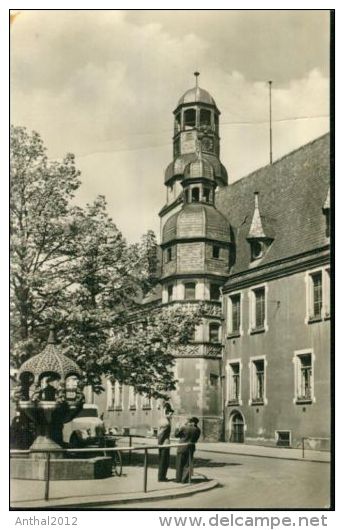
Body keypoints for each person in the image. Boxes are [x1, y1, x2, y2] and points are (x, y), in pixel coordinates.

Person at [175, 417, 201, 483]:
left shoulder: (184, 428)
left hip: (182, 447)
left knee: (179, 463)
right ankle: (184, 480)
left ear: (190, 422)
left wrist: (177, 427)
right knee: (187, 464)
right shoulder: (198, 430)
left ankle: (178, 479)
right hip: (191, 448)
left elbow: (176, 435)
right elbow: (196, 440)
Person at [157, 403, 174, 482]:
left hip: (164, 444)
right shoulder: (166, 423)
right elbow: (160, 435)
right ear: (167, 413)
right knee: (164, 461)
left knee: (164, 461)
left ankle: (162, 476)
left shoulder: (164, 420)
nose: (172, 416)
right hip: (164, 444)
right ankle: (161, 477)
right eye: (171, 414)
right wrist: (160, 444)